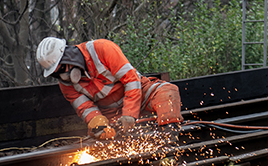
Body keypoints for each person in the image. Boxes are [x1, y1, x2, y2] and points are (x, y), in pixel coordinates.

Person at [36, 37, 183, 140]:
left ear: (69, 56)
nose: (64, 76)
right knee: (100, 135)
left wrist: (129, 113)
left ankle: (168, 137)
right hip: (111, 114)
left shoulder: (102, 49)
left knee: (167, 93)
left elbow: (131, 81)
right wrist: (97, 122)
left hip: (139, 93)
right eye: (57, 74)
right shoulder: (65, 84)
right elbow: (85, 108)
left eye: (62, 69)